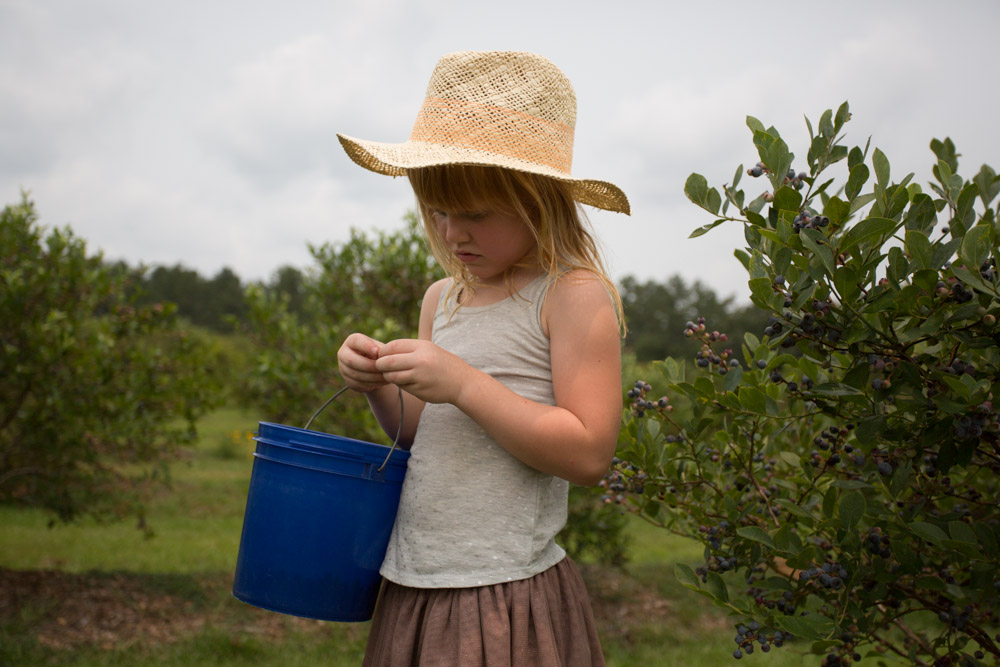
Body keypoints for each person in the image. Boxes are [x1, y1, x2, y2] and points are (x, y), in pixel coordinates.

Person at [336, 50, 630, 667]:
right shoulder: (443, 299)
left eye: (473, 214)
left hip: (503, 590)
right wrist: (376, 387)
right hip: (417, 578)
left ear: (539, 200)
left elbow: (588, 451)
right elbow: (418, 432)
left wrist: (464, 383)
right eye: (438, 211)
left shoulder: (572, 297)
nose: (451, 233)